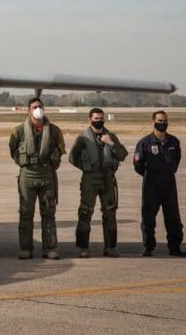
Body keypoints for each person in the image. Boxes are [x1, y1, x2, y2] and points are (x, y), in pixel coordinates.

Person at [9, 97, 66, 259]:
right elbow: (13, 150)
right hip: (27, 176)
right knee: (26, 213)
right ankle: (26, 248)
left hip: (47, 176)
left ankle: (50, 248)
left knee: (48, 213)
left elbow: (60, 150)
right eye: (34, 107)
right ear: (29, 110)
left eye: (40, 107)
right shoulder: (18, 131)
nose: (37, 109)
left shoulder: (55, 131)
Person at [69, 107, 128, 258]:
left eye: (101, 118)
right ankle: (83, 248)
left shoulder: (110, 136)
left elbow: (122, 155)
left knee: (110, 213)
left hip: (108, 179)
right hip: (90, 179)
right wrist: (86, 168)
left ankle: (110, 247)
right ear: (90, 119)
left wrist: (111, 144)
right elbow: (72, 158)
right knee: (85, 212)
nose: (99, 121)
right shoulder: (83, 138)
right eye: (96, 119)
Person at [134, 110, 185, 257]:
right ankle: (148, 247)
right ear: (153, 122)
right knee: (148, 217)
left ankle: (175, 247)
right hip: (151, 184)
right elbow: (138, 165)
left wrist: (167, 172)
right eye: (160, 121)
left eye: (165, 121)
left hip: (169, 184)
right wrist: (149, 175)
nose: (162, 123)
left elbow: (176, 160)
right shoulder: (144, 143)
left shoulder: (174, 142)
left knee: (173, 218)